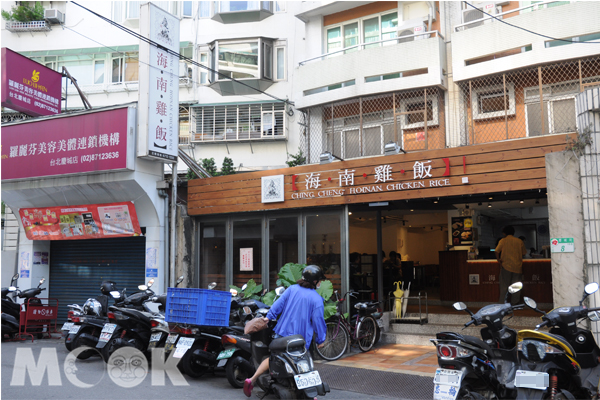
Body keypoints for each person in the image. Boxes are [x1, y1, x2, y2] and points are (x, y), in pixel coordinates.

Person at [243, 265, 327, 398]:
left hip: (282, 334)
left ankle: (252, 379)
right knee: (304, 363)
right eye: (319, 280)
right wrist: (320, 340)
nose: (320, 283)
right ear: (314, 281)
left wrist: (269, 317)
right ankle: (312, 395)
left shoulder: (292, 289)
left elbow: (278, 304)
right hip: (300, 339)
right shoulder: (316, 299)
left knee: (273, 358)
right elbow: (318, 321)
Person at [496, 225, 527, 304]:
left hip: (506, 266)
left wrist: (498, 260)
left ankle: (502, 303)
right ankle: (515, 303)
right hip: (517, 267)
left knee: (504, 286)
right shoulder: (519, 241)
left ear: (504, 233)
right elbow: (524, 253)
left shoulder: (503, 240)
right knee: (516, 286)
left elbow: (496, 251)